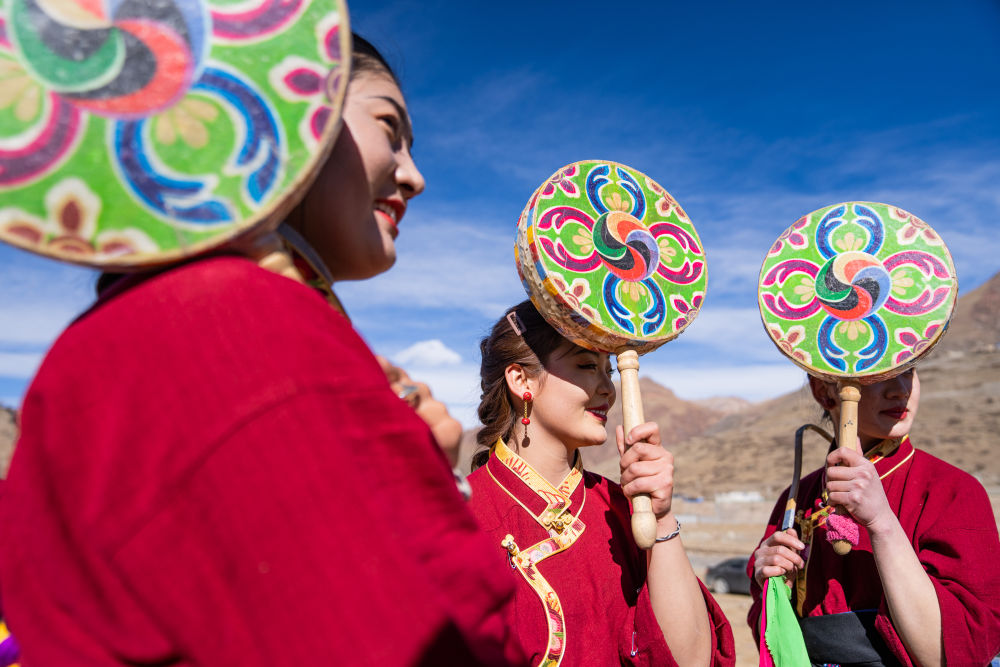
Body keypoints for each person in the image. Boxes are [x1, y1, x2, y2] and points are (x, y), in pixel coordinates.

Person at [0, 35, 515, 664]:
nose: (415, 176)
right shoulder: (237, 326)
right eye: (390, 128)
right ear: (291, 110)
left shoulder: (152, 322)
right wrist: (417, 486)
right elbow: (408, 641)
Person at [466, 300, 735, 666]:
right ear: (522, 379)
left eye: (609, 370)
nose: (608, 389)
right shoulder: (459, 515)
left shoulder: (622, 507)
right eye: (586, 365)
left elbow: (691, 661)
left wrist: (661, 518)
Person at [748, 369, 1000, 666]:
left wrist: (882, 522)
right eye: (876, 376)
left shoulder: (953, 490)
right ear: (824, 391)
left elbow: (956, 654)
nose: (901, 390)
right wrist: (773, 588)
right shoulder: (796, 498)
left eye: (909, 371)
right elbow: (770, 639)